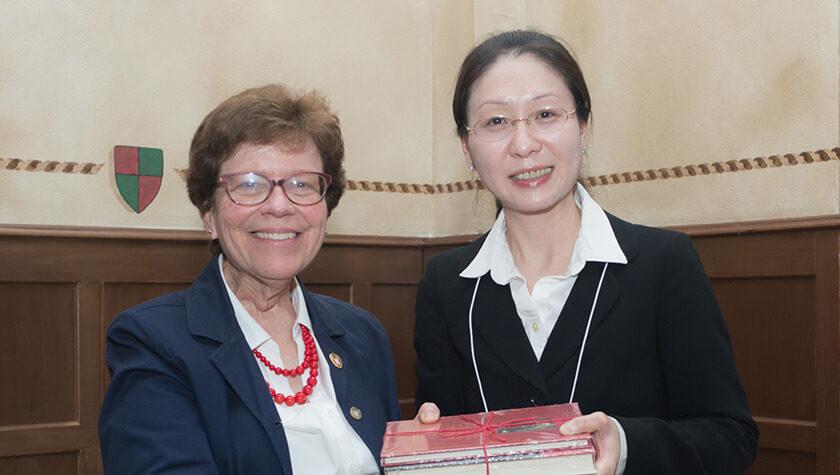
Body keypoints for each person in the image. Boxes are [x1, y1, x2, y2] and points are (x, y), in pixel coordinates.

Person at [413, 30, 758, 474]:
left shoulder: (662, 262)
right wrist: (431, 446)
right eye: (496, 122)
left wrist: (627, 443)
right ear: (467, 148)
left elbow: (731, 437)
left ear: (582, 127)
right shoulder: (446, 284)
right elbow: (441, 435)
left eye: (545, 114)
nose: (523, 144)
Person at [99, 84, 401, 474]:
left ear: (326, 207)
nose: (279, 205)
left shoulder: (363, 335)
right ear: (209, 214)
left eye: (302, 184)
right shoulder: (153, 341)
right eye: (250, 184)